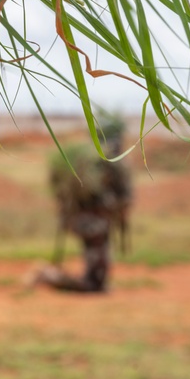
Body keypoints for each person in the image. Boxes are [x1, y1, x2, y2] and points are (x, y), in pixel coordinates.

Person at [33, 117, 133, 293]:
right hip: (95, 217)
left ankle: (90, 281)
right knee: (97, 252)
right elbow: (121, 193)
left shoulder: (89, 159)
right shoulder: (103, 161)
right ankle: (90, 283)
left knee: (95, 250)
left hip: (83, 217)